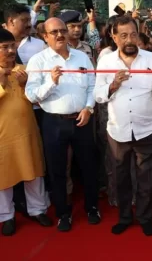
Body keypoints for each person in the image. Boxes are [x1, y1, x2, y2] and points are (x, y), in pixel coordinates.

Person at [25, 18, 100, 232]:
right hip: (53, 122)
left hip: (83, 119)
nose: (59, 35)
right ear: (45, 36)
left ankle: (92, 207)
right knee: (57, 169)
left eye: (62, 31)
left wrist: (88, 108)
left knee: (88, 165)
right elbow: (31, 95)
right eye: (54, 32)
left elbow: (92, 85)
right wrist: (51, 81)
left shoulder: (82, 57)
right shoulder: (38, 61)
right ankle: (62, 213)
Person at [94, 16, 152, 236]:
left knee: (147, 179)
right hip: (117, 130)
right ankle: (124, 217)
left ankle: (145, 217)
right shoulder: (105, 62)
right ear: (114, 37)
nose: (129, 40)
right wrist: (113, 85)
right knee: (121, 178)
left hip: (147, 129)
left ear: (138, 33)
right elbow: (98, 95)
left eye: (133, 34)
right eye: (123, 35)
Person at [0, 28, 51, 236]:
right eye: (5, 47)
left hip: (27, 131)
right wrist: (2, 83)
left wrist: (24, 85)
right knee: (3, 177)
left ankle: (38, 210)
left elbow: (37, 100)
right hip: (3, 137)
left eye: (13, 46)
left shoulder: (25, 70)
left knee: (34, 172)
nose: (11, 50)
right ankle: (6, 216)